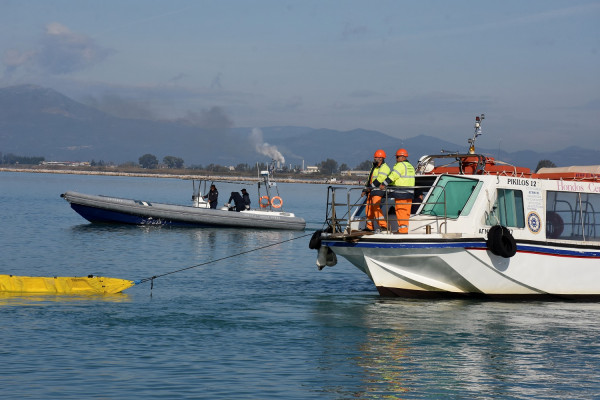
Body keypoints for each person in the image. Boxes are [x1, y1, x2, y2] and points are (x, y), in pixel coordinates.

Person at [381, 148, 415, 234]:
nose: (396, 159)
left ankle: (402, 231)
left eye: (397, 157)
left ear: (402, 157)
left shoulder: (400, 165)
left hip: (401, 193)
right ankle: (405, 229)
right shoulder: (410, 166)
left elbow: (393, 176)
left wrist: (384, 184)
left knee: (400, 211)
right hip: (410, 193)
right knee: (406, 212)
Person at [361, 149, 391, 231]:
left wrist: (369, 187)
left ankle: (384, 225)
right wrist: (365, 189)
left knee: (375, 207)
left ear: (381, 158)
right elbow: (369, 179)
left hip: (378, 190)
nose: (374, 159)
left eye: (376, 158)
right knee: (369, 209)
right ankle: (369, 227)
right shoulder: (374, 168)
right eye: (375, 158)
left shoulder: (385, 168)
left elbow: (380, 179)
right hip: (371, 191)